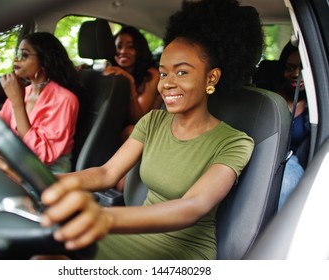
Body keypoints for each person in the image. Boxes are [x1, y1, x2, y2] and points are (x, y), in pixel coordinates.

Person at [37, 0, 262, 260]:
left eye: (182, 72)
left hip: (181, 253)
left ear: (211, 78)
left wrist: (105, 217)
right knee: (43, 253)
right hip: (131, 234)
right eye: (164, 74)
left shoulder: (234, 142)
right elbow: (106, 173)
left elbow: (192, 206)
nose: (167, 84)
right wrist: (41, 182)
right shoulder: (152, 121)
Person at [0, 32, 82, 174]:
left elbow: (42, 154)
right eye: (17, 53)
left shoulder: (64, 99)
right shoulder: (24, 91)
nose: (16, 58)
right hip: (16, 166)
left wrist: (17, 103)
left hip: (45, 178)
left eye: (24, 55)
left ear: (43, 61)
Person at [105, 26, 163, 141]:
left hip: (141, 130)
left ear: (139, 50)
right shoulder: (112, 72)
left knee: (130, 131)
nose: (122, 51)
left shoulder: (151, 75)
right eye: (118, 46)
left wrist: (130, 83)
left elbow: (138, 120)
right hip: (114, 128)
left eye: (130, 47)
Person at [275, 41, 309, 210]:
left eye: (302, 68)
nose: (296, 74)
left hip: (292, 164)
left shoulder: (317, 106)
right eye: (290, 68)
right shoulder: (269, 98)